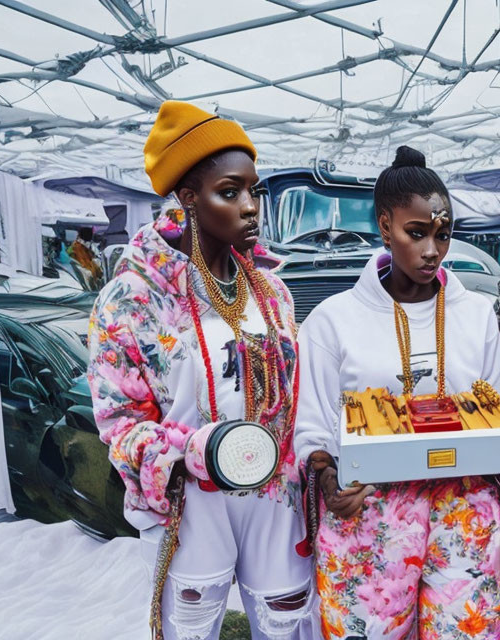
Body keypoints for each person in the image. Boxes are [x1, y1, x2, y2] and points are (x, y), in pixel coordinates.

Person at [87, 101, 311, 640]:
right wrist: (194, 452)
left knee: (287, 623)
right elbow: (118, 423)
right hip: (189, 502)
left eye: (254, 191)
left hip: (274, 496)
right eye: (230, 192)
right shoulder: (132, 299)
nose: (251, 207)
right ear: (187, 198)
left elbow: (294, 393)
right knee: (191, 628)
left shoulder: (273, 291)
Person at [294, 146, 500, 639]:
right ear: (384, 225)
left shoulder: (478, 315)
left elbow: (499, 416)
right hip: (369, 519)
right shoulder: (331, 321)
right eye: (415, 233)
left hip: (465, 517)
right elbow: (311, 427)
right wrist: (329, 481)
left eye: (443, 235)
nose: (432, 250)